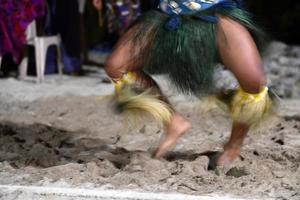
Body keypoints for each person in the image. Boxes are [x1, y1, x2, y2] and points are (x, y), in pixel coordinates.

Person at [101, 0, 273, 166]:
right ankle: (173, 122)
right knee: (117, 66)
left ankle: (233, 146)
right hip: (169, 16)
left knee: (254, 84)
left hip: (218, 14)